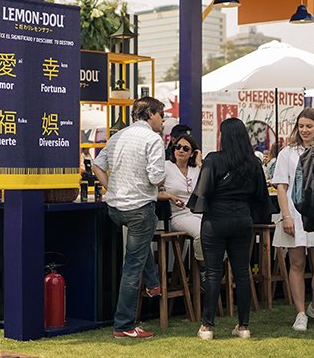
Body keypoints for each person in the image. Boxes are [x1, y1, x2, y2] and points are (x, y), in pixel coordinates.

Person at [92, 96, 167, 339]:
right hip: (139, 208)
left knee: (139, 245)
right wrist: (162, 180)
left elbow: (96, 165)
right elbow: (156, 178)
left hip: (115, 209)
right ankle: (123, 325)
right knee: (132, 267)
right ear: (151, 114)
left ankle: (153, 284)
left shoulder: (117, 136)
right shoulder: (153, 139)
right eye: (162, 115)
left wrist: (111, 188)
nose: (163, 120)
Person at [189, 118, 269, 341]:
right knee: (242, 273)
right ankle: (243, 326)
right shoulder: (253, 163)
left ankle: (207, 326)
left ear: (223, 137)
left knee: (213, 273)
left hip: (216, 220)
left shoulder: (213, 159)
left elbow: (203, 191)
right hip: (243, 219)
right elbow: (261, 196)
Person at [271, 107, 314, 331]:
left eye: (309, 126)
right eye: (301, 126)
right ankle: (300, 312)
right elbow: (281, 186)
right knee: (297, 263)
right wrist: (286, 216)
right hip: (293, 213)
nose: (304, 130)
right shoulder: (287, 152)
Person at [157, 133, 204, 262]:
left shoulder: (196, 168)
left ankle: (217, 267)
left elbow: (211, 183)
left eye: (185, 148)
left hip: (200, 213)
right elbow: (151, 193)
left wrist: (199, 163)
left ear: (192, 153)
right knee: (203, 232)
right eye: (177, 147)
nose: (180, 150)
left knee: (222, 229)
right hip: (180, 216)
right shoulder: (166, 167)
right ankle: (204, 267)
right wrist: (170, 196)